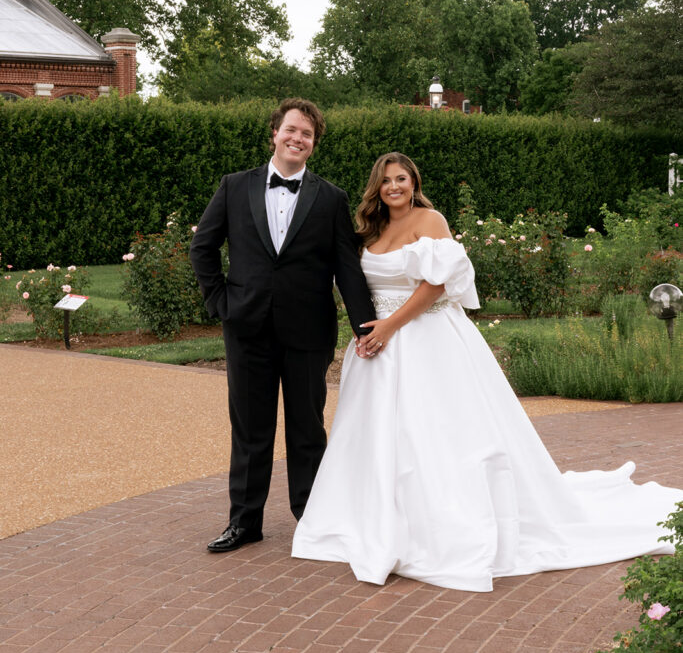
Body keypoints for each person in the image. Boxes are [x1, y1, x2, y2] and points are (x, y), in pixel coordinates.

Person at [292, 152, 682, 591]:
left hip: (424, 338)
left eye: (401, 179)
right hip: (377, 347)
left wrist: (389, 326)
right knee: (376, 435)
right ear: (375, 188)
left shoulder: (430, 220)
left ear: (413, 181)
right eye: (385, 181)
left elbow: (436, 286)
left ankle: (437, 525)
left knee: (432, 432)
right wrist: (366, 328)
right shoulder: (371, 229)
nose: (393, 187)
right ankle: (374, 515)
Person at [190, 99, 376, 553]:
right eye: (291, 129)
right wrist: (220, 302)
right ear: (274, 132)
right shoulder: (234, 187)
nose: (297, 138)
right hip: (246, 327)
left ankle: (312, 521)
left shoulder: (331, 198)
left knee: (307, 429)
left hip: (308, 332)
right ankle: (244, 522)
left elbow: (346, 267)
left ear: (313, 144)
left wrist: (365, 324)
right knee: (251, 429)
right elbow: (203, 247)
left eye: (307, 134)